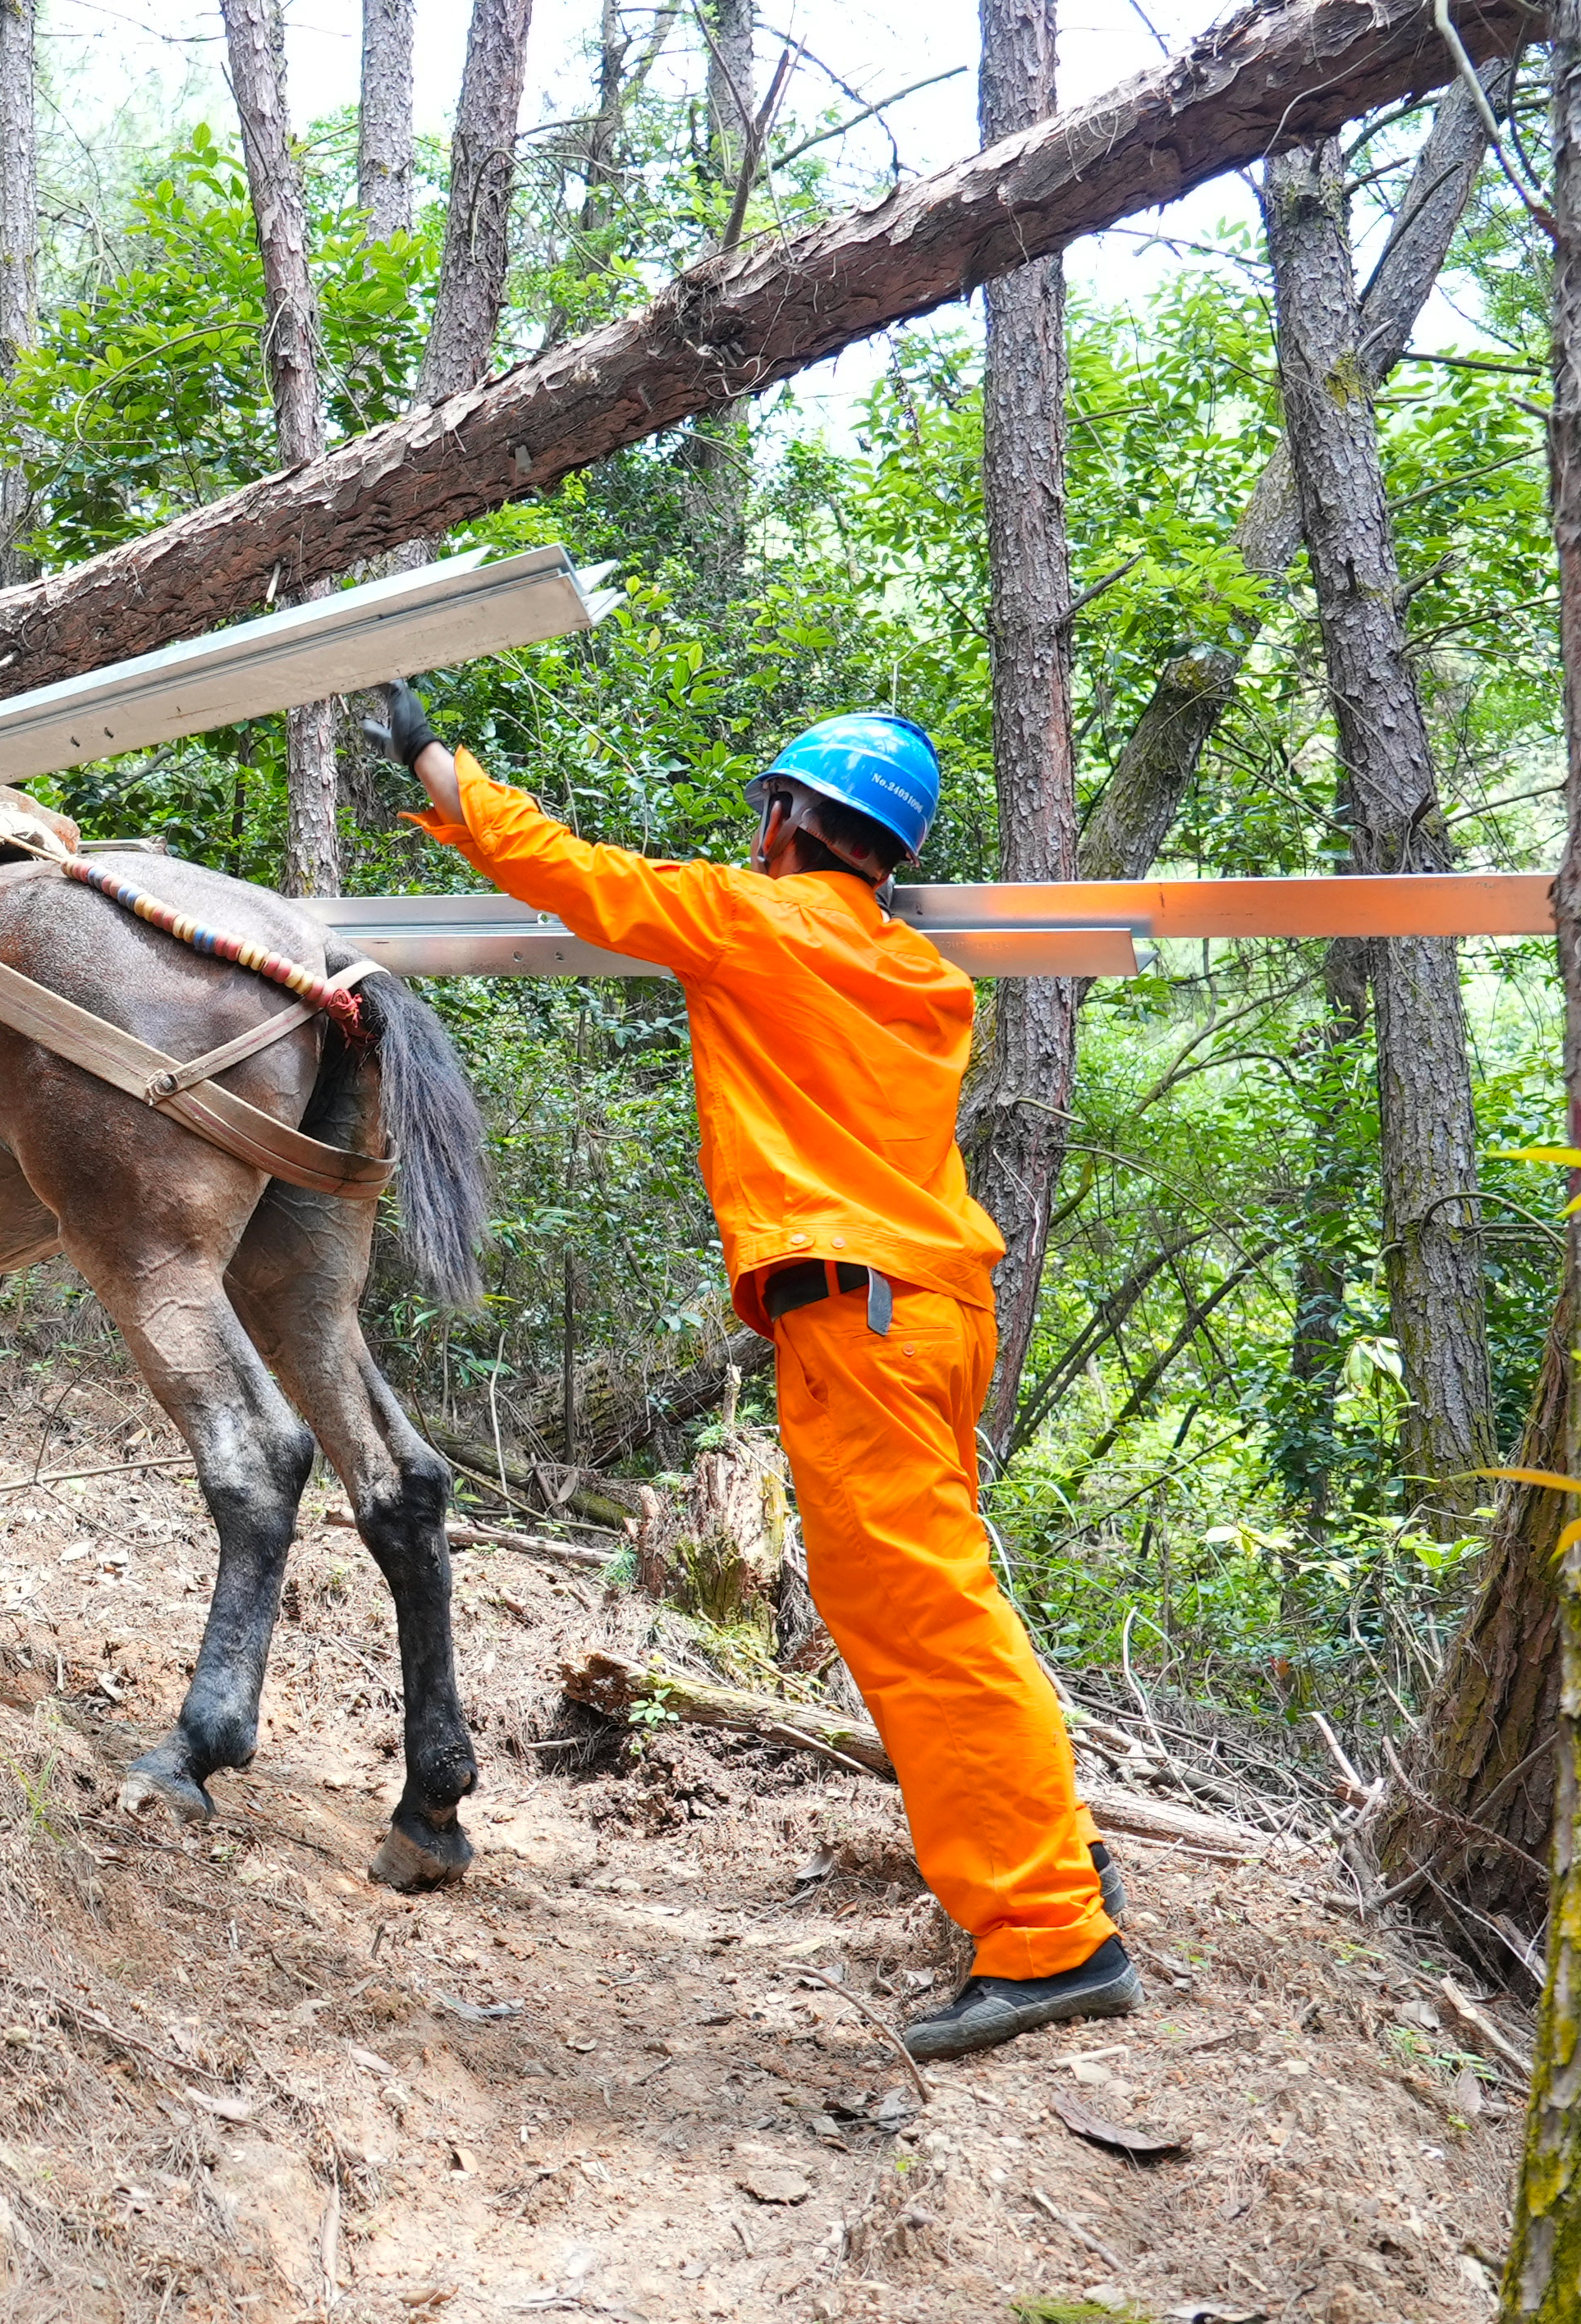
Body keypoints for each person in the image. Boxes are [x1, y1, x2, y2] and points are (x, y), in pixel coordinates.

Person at [376, 686, 1133, 2061]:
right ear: (891, 852)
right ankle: (1056, 1855)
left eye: (765, 813)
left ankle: (1052, 1933)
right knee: (926, 1600)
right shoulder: (920, 975)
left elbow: (575, 876)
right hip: (937, 1310)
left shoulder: (756, 921)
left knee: (925, 1616)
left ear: (787, 819)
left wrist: (438, 766)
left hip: (866, 1318)